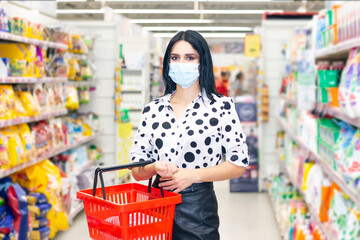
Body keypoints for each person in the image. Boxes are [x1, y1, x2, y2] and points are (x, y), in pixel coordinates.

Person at [130, 30, 249, 240]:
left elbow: (239, 164)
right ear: (167, 63)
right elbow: (137, 171)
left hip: (198, 210)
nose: (181, 63)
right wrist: (154, 167)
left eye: (190, 57)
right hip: (157, 206)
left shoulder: (221, 107)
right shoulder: (153, 110)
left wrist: (193, 175)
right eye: (175, 58)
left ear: (202, 63)